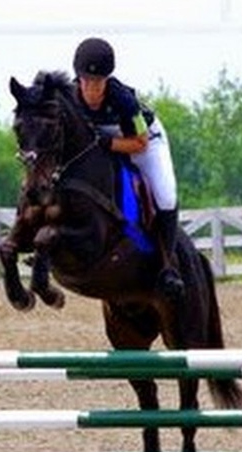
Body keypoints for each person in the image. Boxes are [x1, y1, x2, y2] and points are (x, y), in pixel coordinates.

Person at [72, 37, 185, 299]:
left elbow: (140, 143)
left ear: (107, 80)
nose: (91, 90)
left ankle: (168, 266)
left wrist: (107, 143)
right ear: (78, 78)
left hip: (145, 143)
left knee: (166, 196)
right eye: (86, 82)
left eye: (98, 82)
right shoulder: (70, 98)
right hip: (104, 146)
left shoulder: (125, 101)